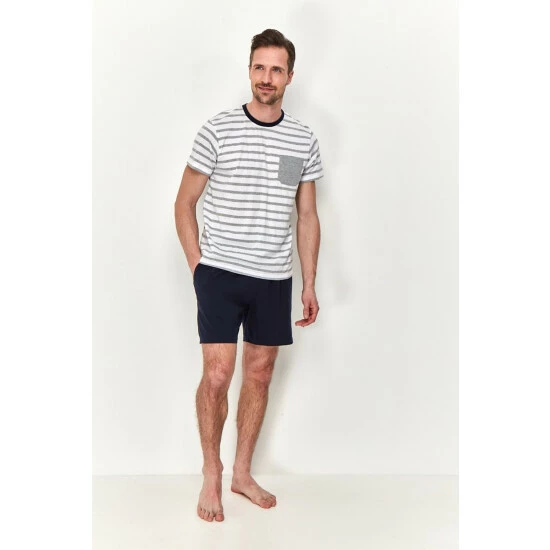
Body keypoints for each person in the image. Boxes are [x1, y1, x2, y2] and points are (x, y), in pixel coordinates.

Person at [174, 29, 324, 523]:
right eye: (260, 67)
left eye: (276, 69)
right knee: (218, 375)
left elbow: (307, 215)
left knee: (259, 375)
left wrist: (308, 281)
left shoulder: (302, 139)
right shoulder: (217, 130)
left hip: (273, 278)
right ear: (250, 70)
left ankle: (241, 473)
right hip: (219, 273)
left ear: (290, 77)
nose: (267, 77)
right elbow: (184, 203)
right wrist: (198, 266)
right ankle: (212, 471)